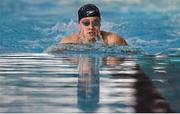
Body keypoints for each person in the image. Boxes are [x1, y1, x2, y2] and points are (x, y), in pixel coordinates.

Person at [59, 4, 128, 45]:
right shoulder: (69, 42)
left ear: (100, 24)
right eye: (86, 23)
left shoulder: (113, 40)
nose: (91, 27)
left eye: (95, 23)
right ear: (79, 24)